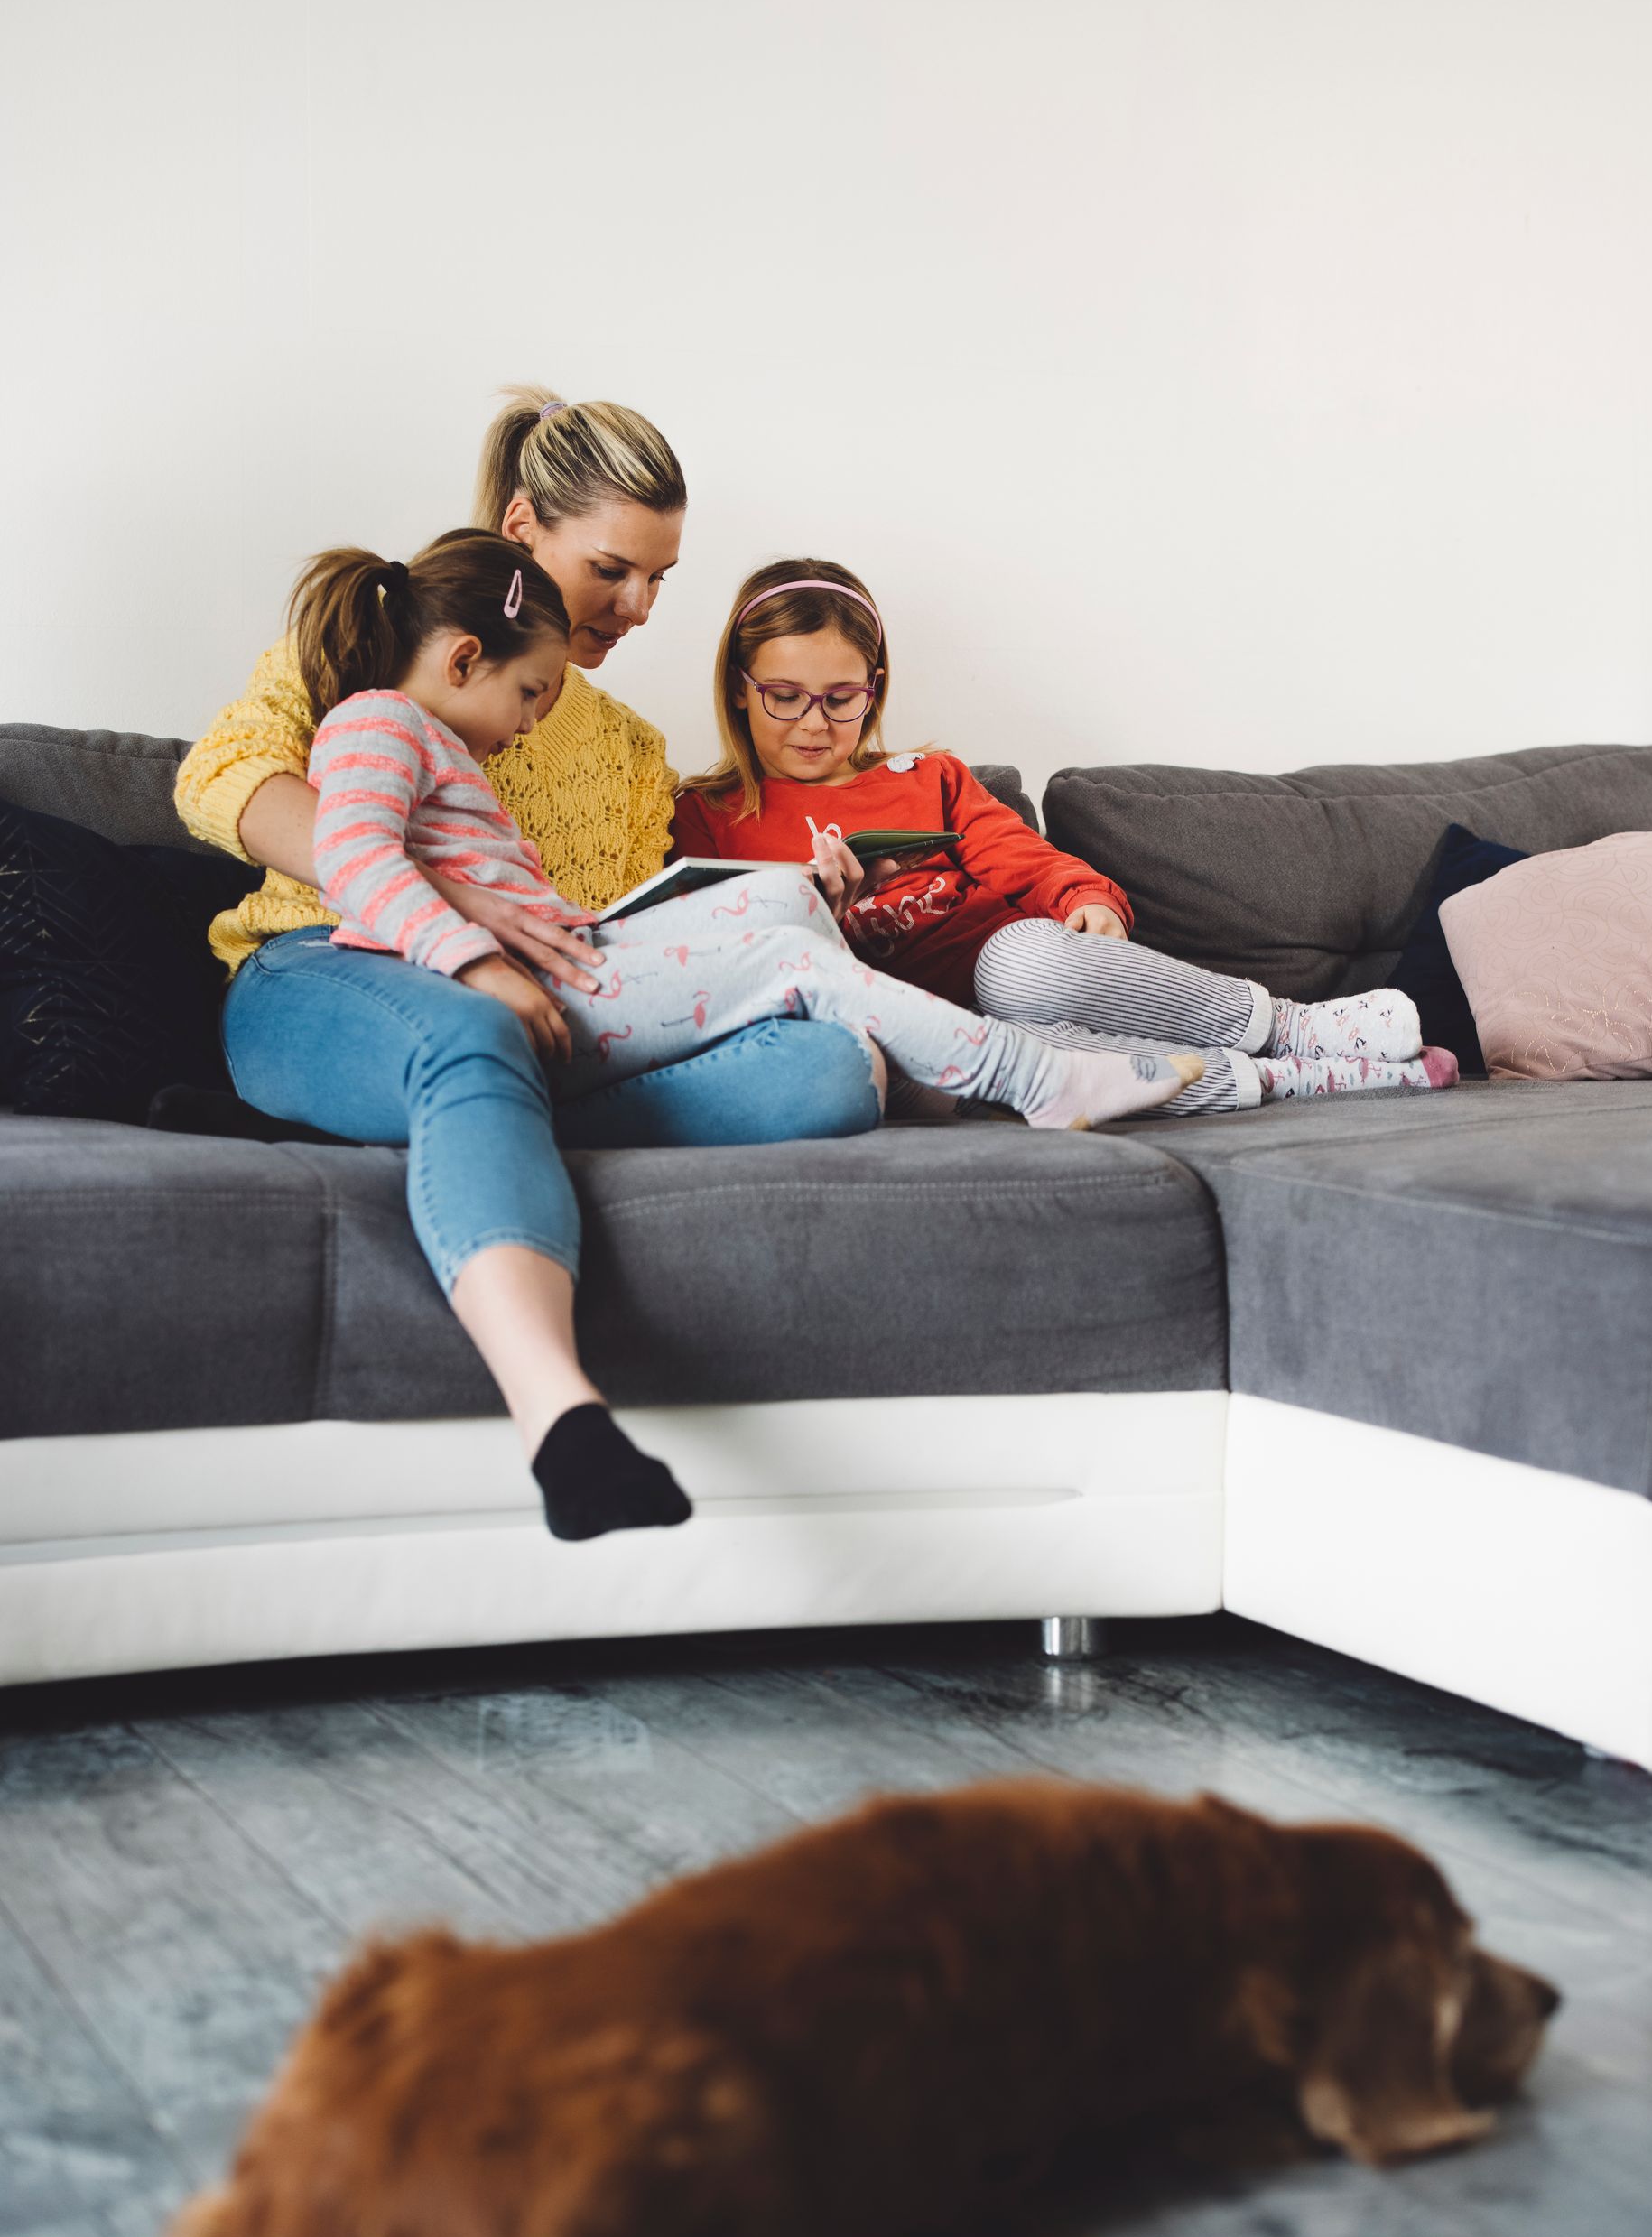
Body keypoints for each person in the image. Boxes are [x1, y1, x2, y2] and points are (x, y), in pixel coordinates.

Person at [281, 527, 1204, 1535]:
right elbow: (352, 856)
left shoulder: (440, 743)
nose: (534, 717)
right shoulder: (376, 722)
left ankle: (937, 1069)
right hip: (520, 984)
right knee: (787, 960)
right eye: (531, 692)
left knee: (788, 907)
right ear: (465, 659)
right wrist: (473, 960)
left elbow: (489, 885)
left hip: (564, 955)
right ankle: (1031, 1076)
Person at [175, 387, 876, 1153]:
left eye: (658, 577)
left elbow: (618, 951)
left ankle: (472, 1115)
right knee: (477, 1039)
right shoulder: (366, 647)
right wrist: (457, 906)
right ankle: (477, 1101)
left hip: (538, 1003)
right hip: (332, 956)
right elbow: (218, 778)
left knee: (833, 1069)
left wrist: (791, 909)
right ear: (520, 528)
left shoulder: (634, 751)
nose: (639, 606)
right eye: (610, 568)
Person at [673, 559, 1459, 1113]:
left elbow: (1017, 851)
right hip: (931, 1032)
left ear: (872, 693)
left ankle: (1293, 1025)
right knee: (1018, 1068)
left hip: (1008, 965)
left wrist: (1085, 895)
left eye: (840, 698)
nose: (814, 722)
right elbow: (720, 960)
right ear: (740, 689)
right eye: (785, 696)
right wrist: (821, 912)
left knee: (1019, 968)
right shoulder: (705, 816)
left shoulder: (929, 777)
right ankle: (1301, 1079)